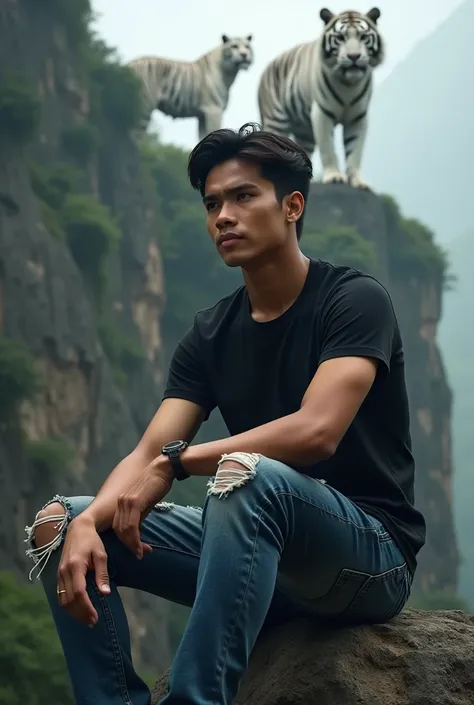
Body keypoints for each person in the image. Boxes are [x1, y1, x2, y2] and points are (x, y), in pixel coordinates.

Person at [25, 122, 426, 705]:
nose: (223, 216)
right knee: (57, 525)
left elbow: (317, 431)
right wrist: (88, 523)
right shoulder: (211, 333)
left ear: (292, 206)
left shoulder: (354, 300)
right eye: (213, 203)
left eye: (243, 197)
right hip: (257, 554)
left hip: (367, 556)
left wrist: (180, 464)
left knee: (248, 474)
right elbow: (147, 452)